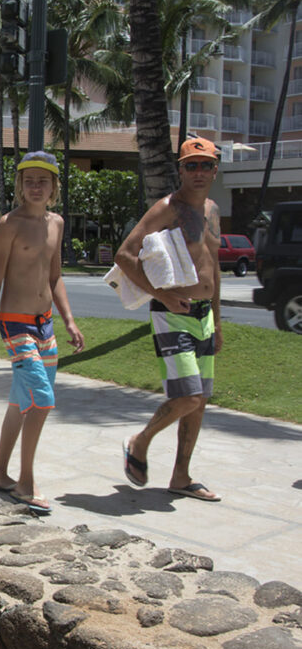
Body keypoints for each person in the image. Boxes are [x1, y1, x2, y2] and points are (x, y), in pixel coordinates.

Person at [0, 151, 84, 514]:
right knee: (42, 400)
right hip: (15, 322)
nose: (36, 187)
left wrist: (68, 319)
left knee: (21, 402)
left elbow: (55, 276)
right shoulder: (9, 224)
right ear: (20, 185)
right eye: (29, 180)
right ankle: (25, 482)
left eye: (43, 180)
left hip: (44, 322)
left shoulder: (57, 223)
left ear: (54, 186)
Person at [113, 137, 223, 502]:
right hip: (172, 314)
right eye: (191, 165)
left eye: (205, 165)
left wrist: (218, 322)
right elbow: (125, 255)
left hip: (204, 316)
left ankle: (181, 476)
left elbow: (214, 267)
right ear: (180, 170)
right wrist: (162, 295)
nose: (198, 172)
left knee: (200, 398)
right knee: (188, 396)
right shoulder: (167, 209)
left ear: (214, 170)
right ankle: (139, 441)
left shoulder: (212, 210)